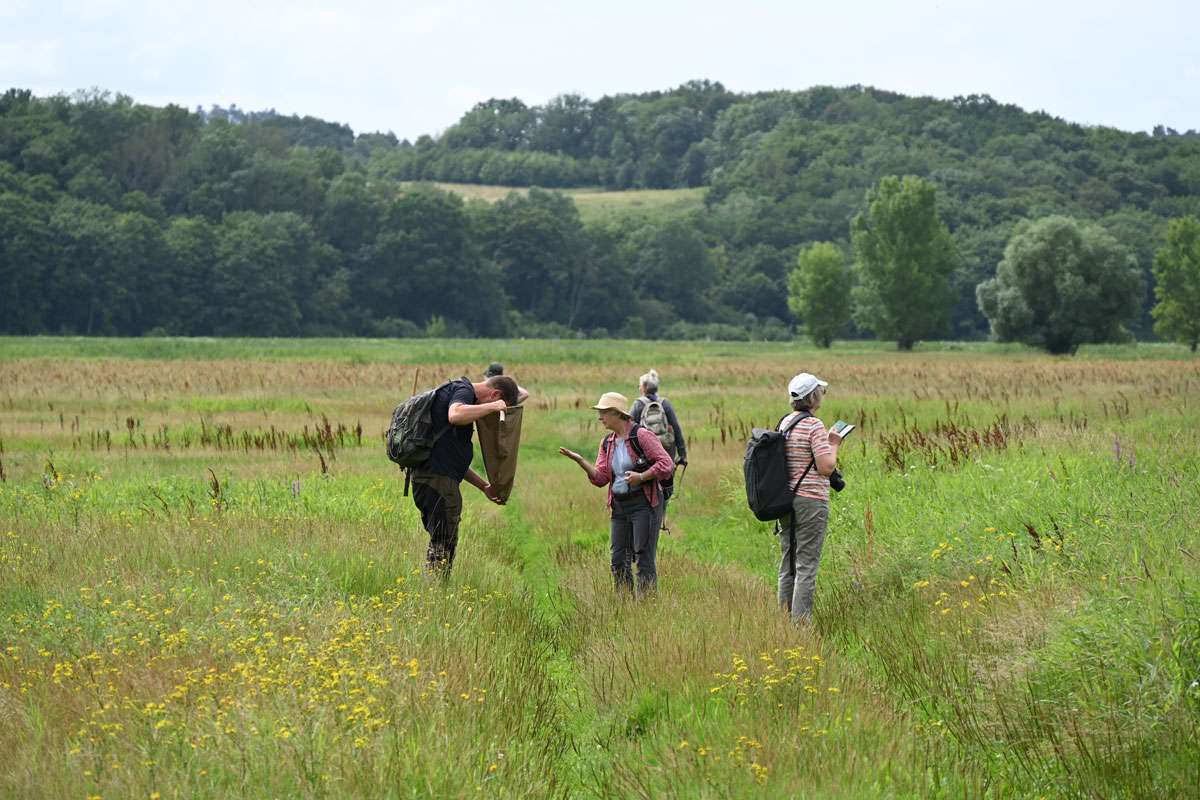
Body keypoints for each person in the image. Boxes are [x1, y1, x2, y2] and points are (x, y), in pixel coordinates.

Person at [559, 392, 675, 596]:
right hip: (620, 508)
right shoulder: (607, 442)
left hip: (645, 506)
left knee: (643, 560)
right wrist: (580, 461)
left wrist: (642, 477)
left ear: (616, 413)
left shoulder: (642, 436)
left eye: (603, 412)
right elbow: (601, 478)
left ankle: (647, 609)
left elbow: (666, 464)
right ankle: (624, 607)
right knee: (618, 560)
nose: (600, 417)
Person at [411, 375, 523, 576]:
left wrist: (483, 487)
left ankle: (436, 589)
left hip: (435, 479)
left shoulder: (464, 395)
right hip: (435, 481)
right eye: (496, 402)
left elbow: (453, 460)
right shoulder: (464, 391)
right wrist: (492, 407)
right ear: (495, 394)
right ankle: (435, 590)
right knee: (443, 541)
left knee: (443, 540)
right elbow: (455, 415)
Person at [777, 372, 843, 623]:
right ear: (813, 396)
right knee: (806, 565)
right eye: (820, 392)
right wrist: (834, 443)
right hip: (811, 501)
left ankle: (783, 623)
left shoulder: (785, 422)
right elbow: (826, 467)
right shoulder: (814, 425)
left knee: (788, 563)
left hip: (785, 500)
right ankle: (801, 627)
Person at [630, 369, 686, 527]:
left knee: (646, 485)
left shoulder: (638, 404)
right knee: (665, 486)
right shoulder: (665, 403)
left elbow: (628, 428)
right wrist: (683, 454)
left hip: (645, 454)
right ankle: (661, 519)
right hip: (667, 453)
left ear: (644, 388)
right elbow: (676, 429)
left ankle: (646, 519)